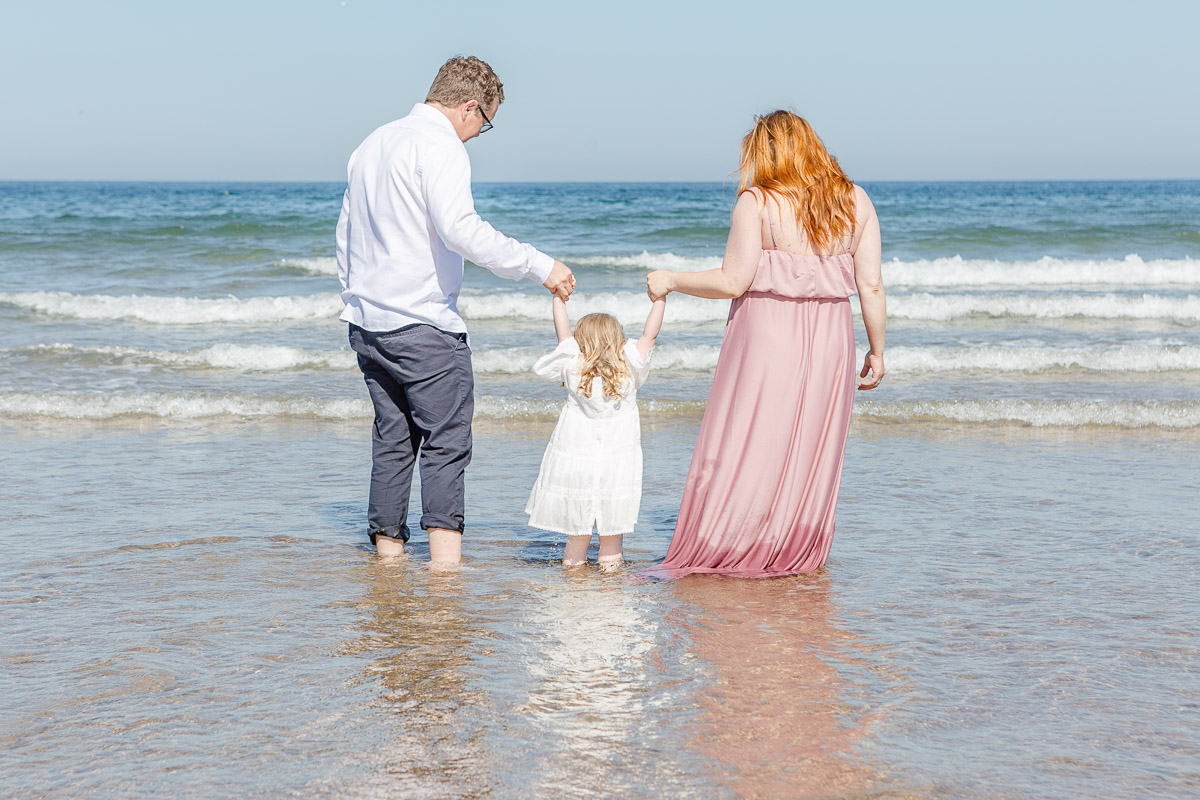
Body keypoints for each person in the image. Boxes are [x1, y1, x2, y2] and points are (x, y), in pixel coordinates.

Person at [336, 56, 576, 565]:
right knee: (447, 443)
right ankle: (445, 573)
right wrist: (540, 265)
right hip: (423, 325)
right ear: (469, 107)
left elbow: (347, 234)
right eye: (484, 123)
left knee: (393, 440)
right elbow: (461, 230)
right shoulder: (439, 145)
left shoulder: (373, 143)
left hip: (369, 324)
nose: (477, 133)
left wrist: (353, 300)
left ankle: (389, 561)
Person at [642, 110, 885, 578]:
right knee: (808, 443)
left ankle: (735, 540)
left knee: (751, 436)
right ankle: (793, 546)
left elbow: (733, 280)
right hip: (833, 342)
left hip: (767, 338)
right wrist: (877, 349)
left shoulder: (757, 202)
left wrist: (671, 278)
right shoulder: (856, 200)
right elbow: (871, 285)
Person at [525, 295, 667, 569]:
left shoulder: (572, 365)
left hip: (575, 464)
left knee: (576, 538)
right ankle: (610, 596)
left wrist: (558, 296)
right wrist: (661, 298)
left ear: (582, 341)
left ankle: (573, 590)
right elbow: (650, 334)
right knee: (612, 539)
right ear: (618, 338)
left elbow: (562, 333)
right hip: (617, 467)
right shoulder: (629, 368)